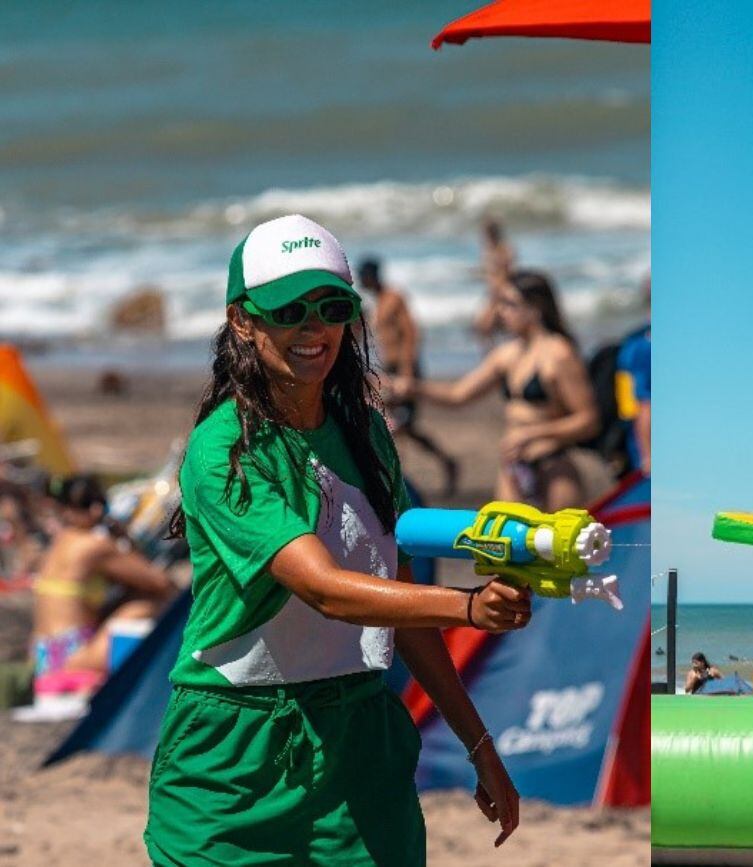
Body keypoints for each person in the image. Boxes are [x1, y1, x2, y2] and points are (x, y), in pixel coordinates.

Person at [145, 214, 531, 865]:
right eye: (290, 309)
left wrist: (479, 745)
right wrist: (469, 606)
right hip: (233, 753)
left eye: (331, 307)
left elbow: (398, 601)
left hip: (360, 745)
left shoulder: (369, 437)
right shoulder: (224, 450)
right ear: (243, 319)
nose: (314, 327)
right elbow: (325, 589)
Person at [396, 270, 600, 510]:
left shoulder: (559, 354)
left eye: (509, 304)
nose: (501, 312)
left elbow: (588, 420)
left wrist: (534, 433)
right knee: (506, 543)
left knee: (558, 545)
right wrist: (414, 388)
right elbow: (458, 395)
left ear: (536, 308)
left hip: (553, 468)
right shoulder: (507, 354)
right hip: (513, 468)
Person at [28, 473, 173, 695]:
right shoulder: (95, 545)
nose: (96, 510)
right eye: (86, 503)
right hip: (73, 657)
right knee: (152, 601)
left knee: (131, 597)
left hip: (43, 657)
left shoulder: (59, 541)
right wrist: (124, 537)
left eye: (101, 502)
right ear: (66, 509)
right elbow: (159, 582)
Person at [358, 257, 460, 497]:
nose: (361, 280)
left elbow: (411, 333)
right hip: (391, 371)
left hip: (405, 371)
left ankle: (404, 476)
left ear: (373, 275)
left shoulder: (394, 298)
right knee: (399, 423)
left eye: (363, 276)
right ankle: (436, 464)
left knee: (399, 423)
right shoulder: (378, 302)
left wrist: (406, 373)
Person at [616, 276, 651, 475]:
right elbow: (644, 406)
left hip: (635, 445)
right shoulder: (644, 346)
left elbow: (626, 408)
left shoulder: (632, 342)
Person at [472, 218, 517, 348]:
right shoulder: (492, 251)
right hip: (494, 292)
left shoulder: (501, 251)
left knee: (485, 325)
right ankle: (495, 353)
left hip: (499, 292)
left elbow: (505, 274)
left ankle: (496, 353)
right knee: (485, 327)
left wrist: (499, 293)